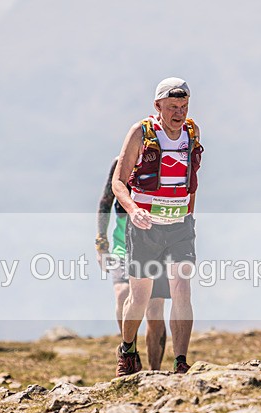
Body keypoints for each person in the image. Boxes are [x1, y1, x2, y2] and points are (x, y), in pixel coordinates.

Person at [111, 77, 204, 376]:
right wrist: (133, 210)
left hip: (179, 226)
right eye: (173, 107)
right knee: (140, 297)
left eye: (184, 107)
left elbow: (192, 181)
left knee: (182, 290)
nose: (179, 113)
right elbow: (118, 183)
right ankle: (127, 351)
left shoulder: (192, 132)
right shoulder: (141, 132)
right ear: (158, 106)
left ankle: (180, 362)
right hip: (145, 226)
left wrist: (190, 216)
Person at [96, 157, 170, 372]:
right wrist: (101, 242)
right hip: (123, 246)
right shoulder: (120, 163)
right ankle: (130, 354)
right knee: (122, 294)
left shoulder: (167, 160)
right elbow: (105, 201)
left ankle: (155, 370)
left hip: (157, 246)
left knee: (154, 308)